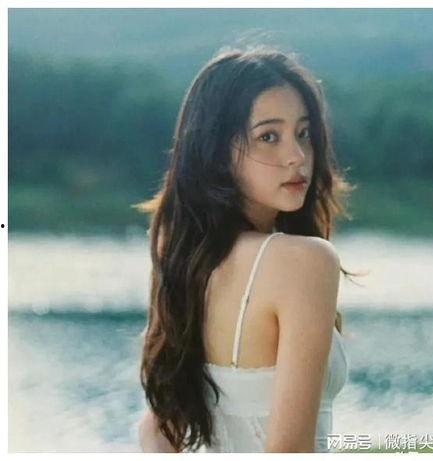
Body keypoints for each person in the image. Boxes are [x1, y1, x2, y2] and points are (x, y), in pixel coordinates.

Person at [133, 43, 360, 453]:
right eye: (268, 136)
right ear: (217, 151)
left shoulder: (186, 257)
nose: (297, 156)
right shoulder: (304, 262)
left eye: (303, 133)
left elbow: (155, 431)